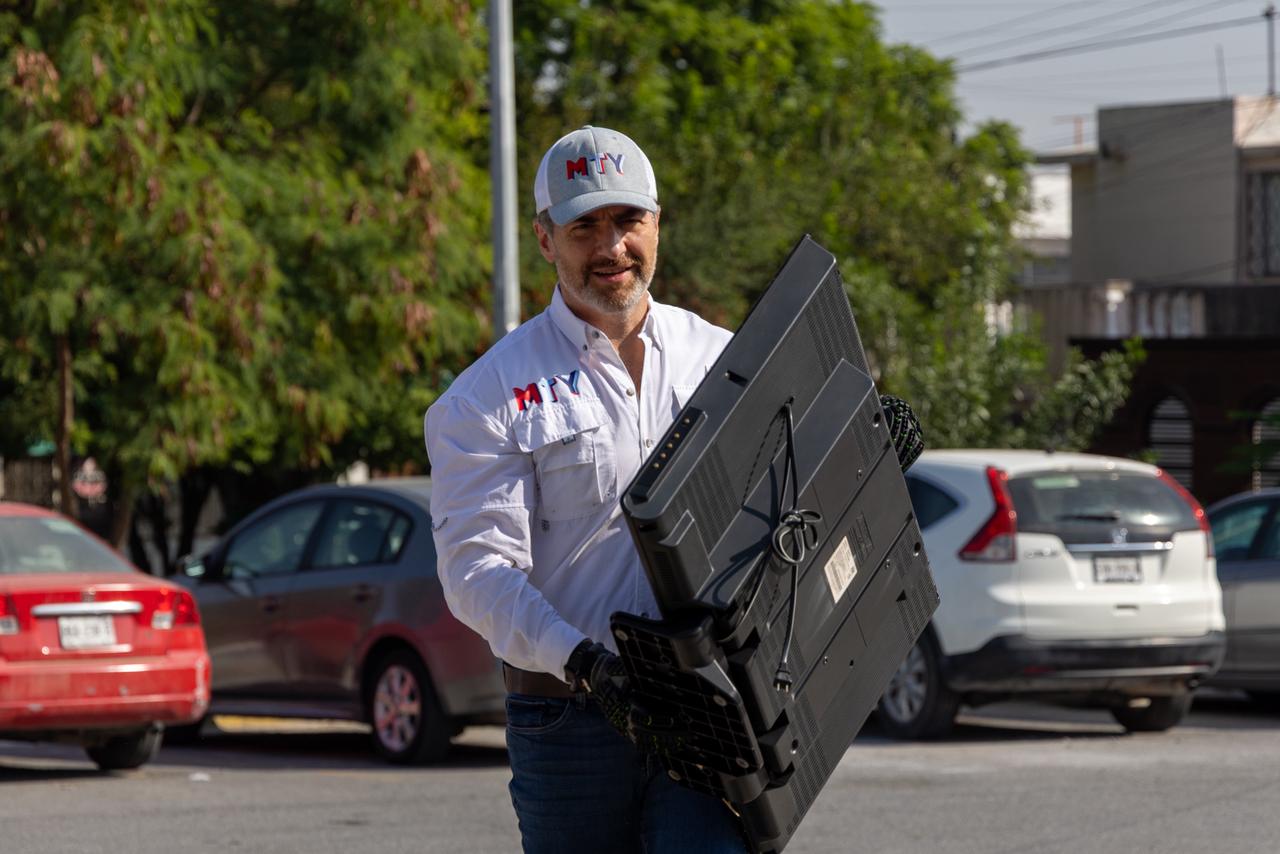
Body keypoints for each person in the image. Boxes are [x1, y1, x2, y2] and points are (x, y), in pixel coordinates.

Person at [424, 126, 749, 853]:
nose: (611, 248)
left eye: (628, 221)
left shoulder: (724, 361)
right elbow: (476, 572)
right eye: (585, 227)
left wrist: (855, 441)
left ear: (658, 224)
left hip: (707, 708)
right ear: (546, 241)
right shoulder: (487, 395)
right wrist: (585, 664)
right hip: (567, 722)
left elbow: (775, 511)